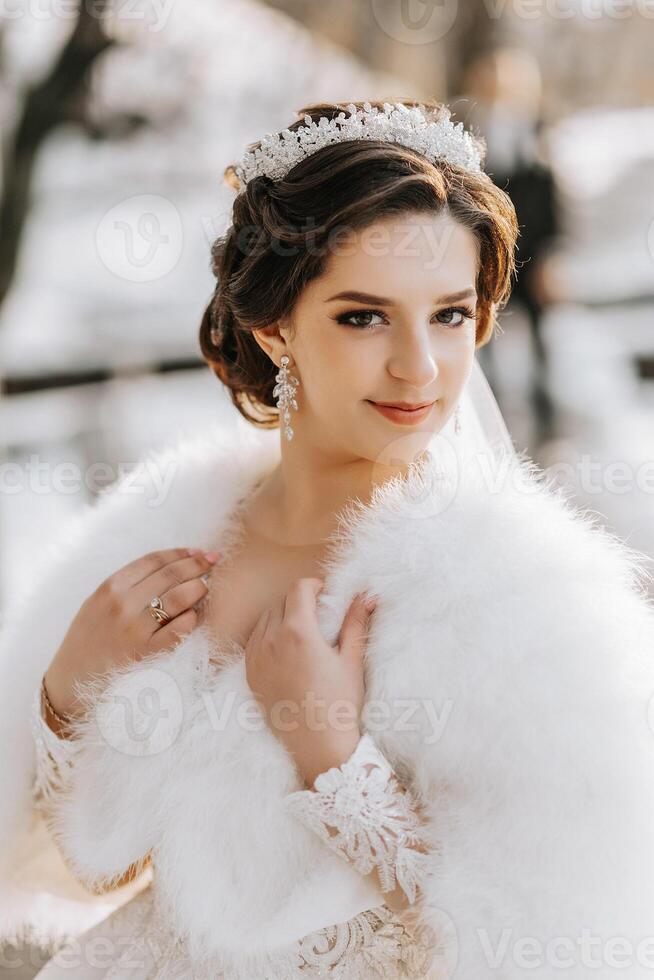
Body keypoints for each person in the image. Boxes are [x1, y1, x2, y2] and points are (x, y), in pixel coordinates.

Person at [1, 99, 654, 979]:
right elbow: (86, 869)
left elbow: (551, 942)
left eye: (451, 315)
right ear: (276, 327)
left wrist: (334, 761)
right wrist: (67, 692)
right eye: (363, 316)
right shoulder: (158, 541)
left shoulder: (528, 601)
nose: (419, 368)